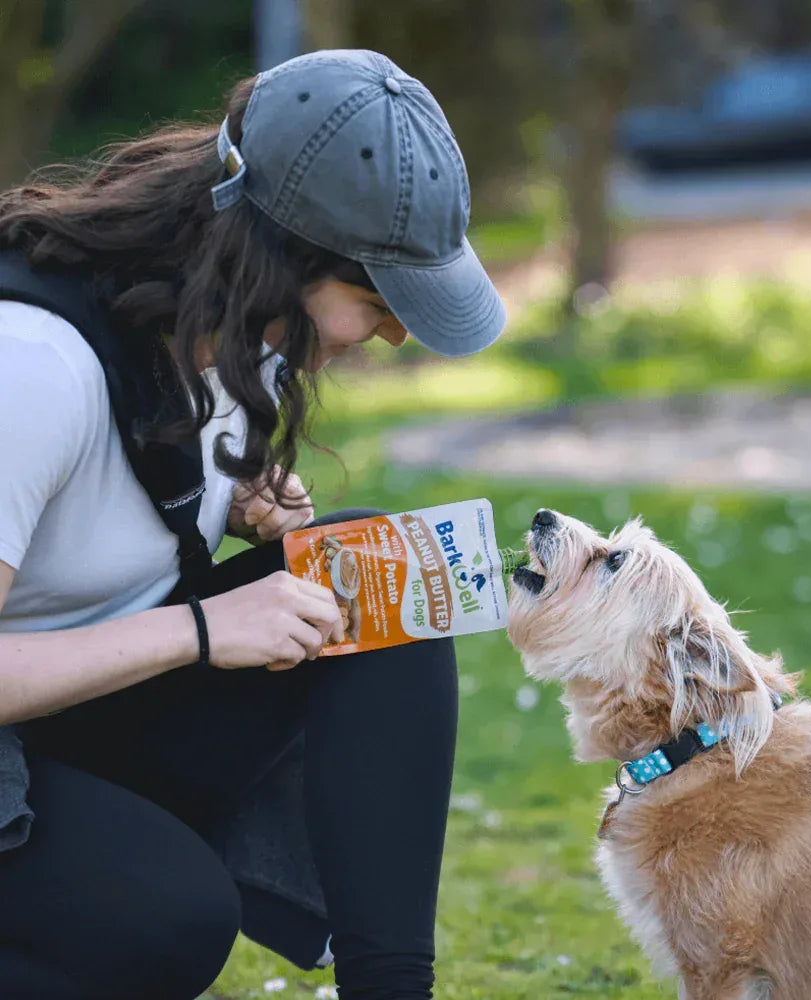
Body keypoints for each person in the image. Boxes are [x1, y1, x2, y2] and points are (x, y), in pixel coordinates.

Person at [0, 49, 506, 1000]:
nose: (396, 334)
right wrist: (203, 629)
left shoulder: (232, 328)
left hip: (68, 709)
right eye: (378, 300)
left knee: (373, 580)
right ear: (282, 261)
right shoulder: (29, 363)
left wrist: (211, 508)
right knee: (165, 921)